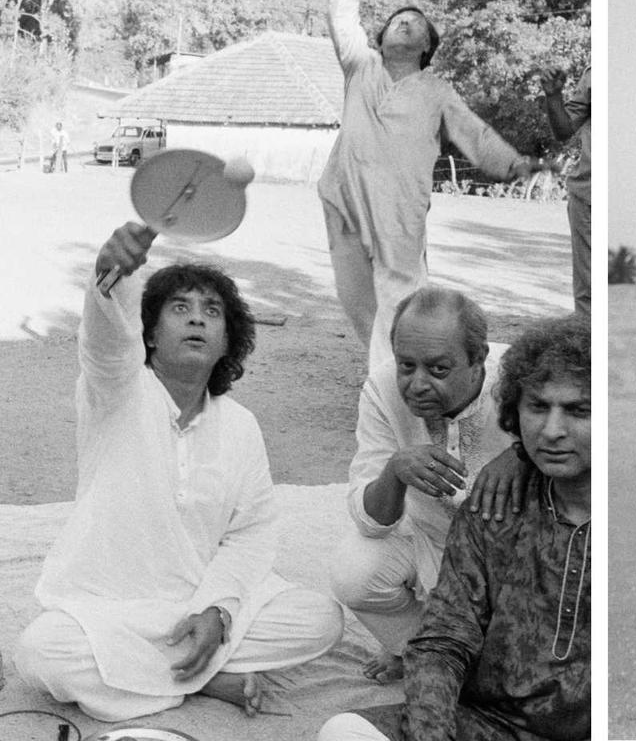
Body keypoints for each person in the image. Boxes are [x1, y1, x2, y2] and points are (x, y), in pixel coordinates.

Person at [14, 223, 344, 722]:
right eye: (180, 308)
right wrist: (110, 275)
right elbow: (104, 344)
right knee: (41, 653)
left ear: (227, 341)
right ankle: (207, 679)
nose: (197, 320)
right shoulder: (118, 391)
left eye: (212, 312)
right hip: (114, 607)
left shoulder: (241, 426)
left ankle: (163, 670)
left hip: (198, 603)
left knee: (321, 620)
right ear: (149, 333)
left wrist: (218, 610)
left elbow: (250, 534)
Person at [318, 314, 591, 741]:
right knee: (343, 731)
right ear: (517, 412)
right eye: (537, 408)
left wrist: (516, 456)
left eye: (579, 411)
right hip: (489, 722)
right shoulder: (491, 511)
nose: (553, 431)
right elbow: (442, 639)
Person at [319, 0, 543, 372]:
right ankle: (389, 376)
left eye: (414, 23)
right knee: (359, 301)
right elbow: (342, 6)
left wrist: (515, 164)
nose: (404, 24)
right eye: (397, 21)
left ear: (427, 47)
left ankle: (407, 381)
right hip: (342, 200)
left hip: (398, 211)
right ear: (380, 40)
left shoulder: (437, 90)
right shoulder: (361, 66)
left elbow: (476, 135)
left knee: (403, 300)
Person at [328, 286, 532, 685]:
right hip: (427, 537)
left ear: (479, 360)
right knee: (353, 574)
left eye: (438, 370)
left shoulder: (519, 379)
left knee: (510, 676)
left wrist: (521, 453)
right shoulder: (382, 388)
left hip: (508, 555)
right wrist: (395, 470)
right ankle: (416, 650)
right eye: (407, 365)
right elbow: (371, 522)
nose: (417, 384)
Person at [539, 66, 592, 316]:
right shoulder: (596, 72)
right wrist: (553, 97)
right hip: (588, 195)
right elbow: (564, 130)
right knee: (588, 291)